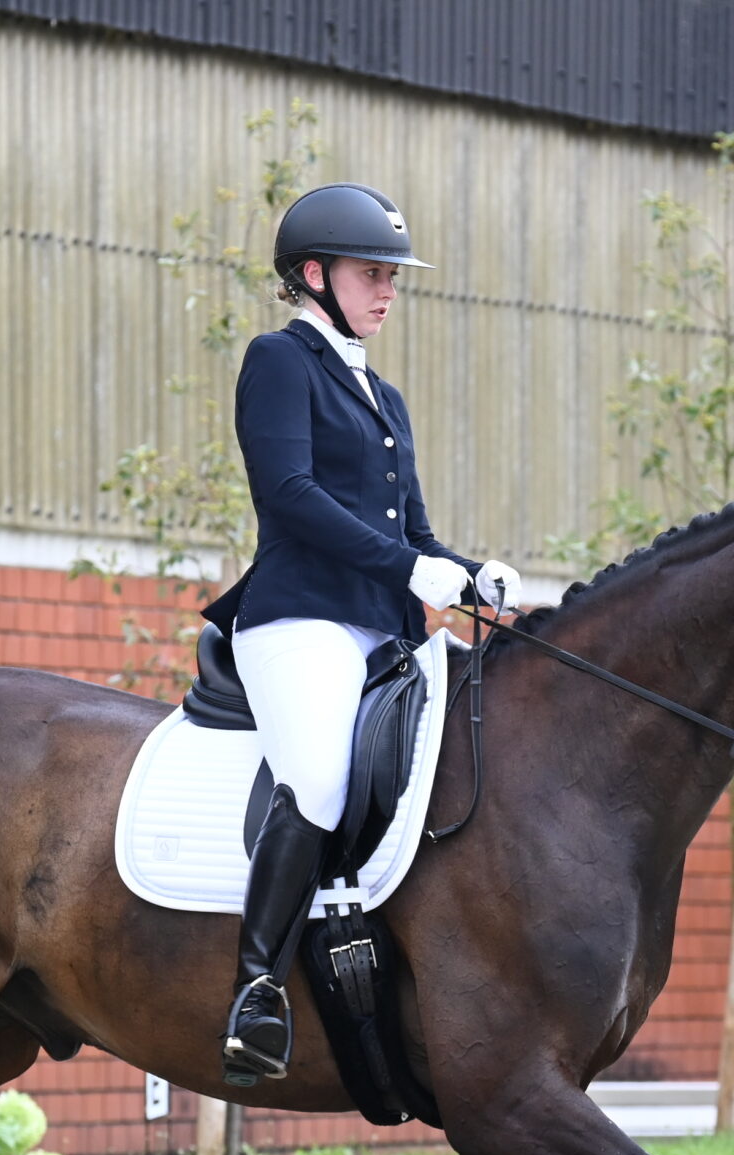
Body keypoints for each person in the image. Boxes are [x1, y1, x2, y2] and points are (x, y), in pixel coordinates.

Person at [202, 183, 523, 1085]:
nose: (387, 290)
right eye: (370, 273)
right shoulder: (279, 361)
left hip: (379, 627)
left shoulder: (383, 395)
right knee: (317, 773)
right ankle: (256, 987)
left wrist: (466, 572)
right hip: (298, 620)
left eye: (392, 276)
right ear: (314, 275)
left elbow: (412, 531)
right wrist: (405, 569)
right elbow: (290, 497)